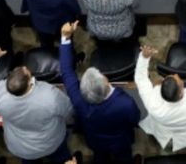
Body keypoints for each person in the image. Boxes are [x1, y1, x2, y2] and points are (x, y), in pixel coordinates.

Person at [59, 26, 141, 163]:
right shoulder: (125, 103)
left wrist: (65, 38)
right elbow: (135, 119)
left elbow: (66, 71)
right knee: (125, 158)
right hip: (121, 142)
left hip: (95, 140)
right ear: (105, 81)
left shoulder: (78, 99)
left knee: (100, 157)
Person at [0, 45, 74, 163]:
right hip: (51, 141)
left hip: (22, 147)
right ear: (29, 83)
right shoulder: (50, 96)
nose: (24, 66)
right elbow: (68, 110)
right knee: (61, 157)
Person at [135, 44, 186, 160]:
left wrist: (144, 57)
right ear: (181, 92)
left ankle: (167, 158)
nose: (176, 74)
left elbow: (141, 79)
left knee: (166, 152)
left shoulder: (152, 102)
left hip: (165, 138)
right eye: (179, 80)